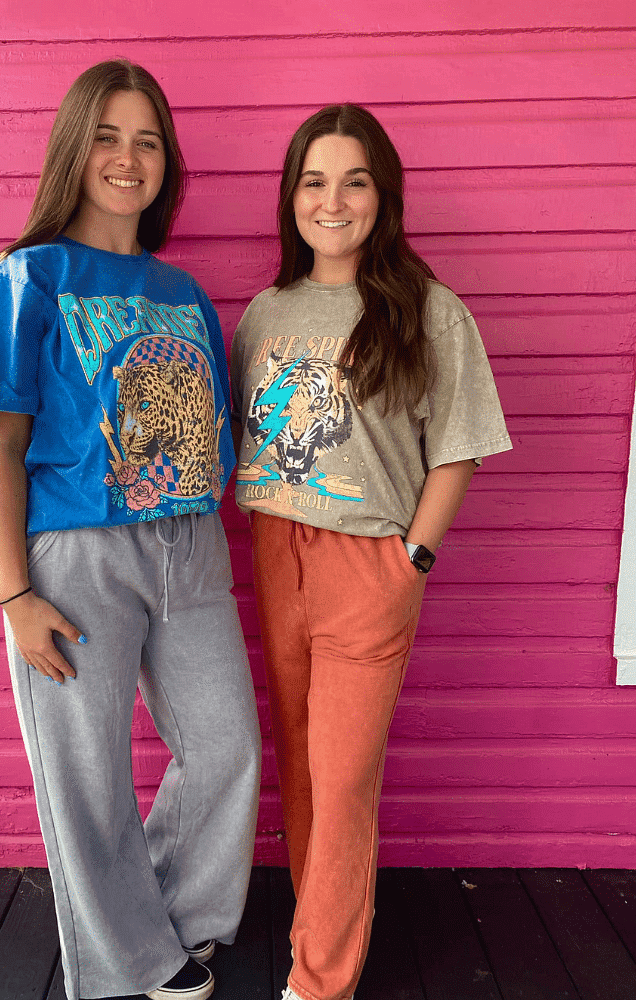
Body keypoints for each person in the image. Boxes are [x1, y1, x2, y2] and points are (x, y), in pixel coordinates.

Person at [0, 60, 261, 1000]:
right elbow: (0, 449)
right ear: (74, 150)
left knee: (227, 748)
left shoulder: (185, 294)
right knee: (85, 774)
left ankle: (175, 920)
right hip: (75, 553)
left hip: (190, 544)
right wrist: (16, 595)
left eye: (147, 140)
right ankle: (132, 962)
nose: (128, 159)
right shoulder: (25, 279)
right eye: (107, 137)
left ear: (167, 161)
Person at [230, 104, 512, 1000]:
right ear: (292, 197)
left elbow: (458, 445)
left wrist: (412, 560)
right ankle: (322, 933)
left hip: (369, 566)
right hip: (277, 553)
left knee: (345, 777)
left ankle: (321, 981)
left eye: (355, 180)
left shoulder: (429, 310)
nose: (334, 199)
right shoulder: (265, 314)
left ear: (384, 196)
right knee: (303, 764)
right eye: (315, 180)